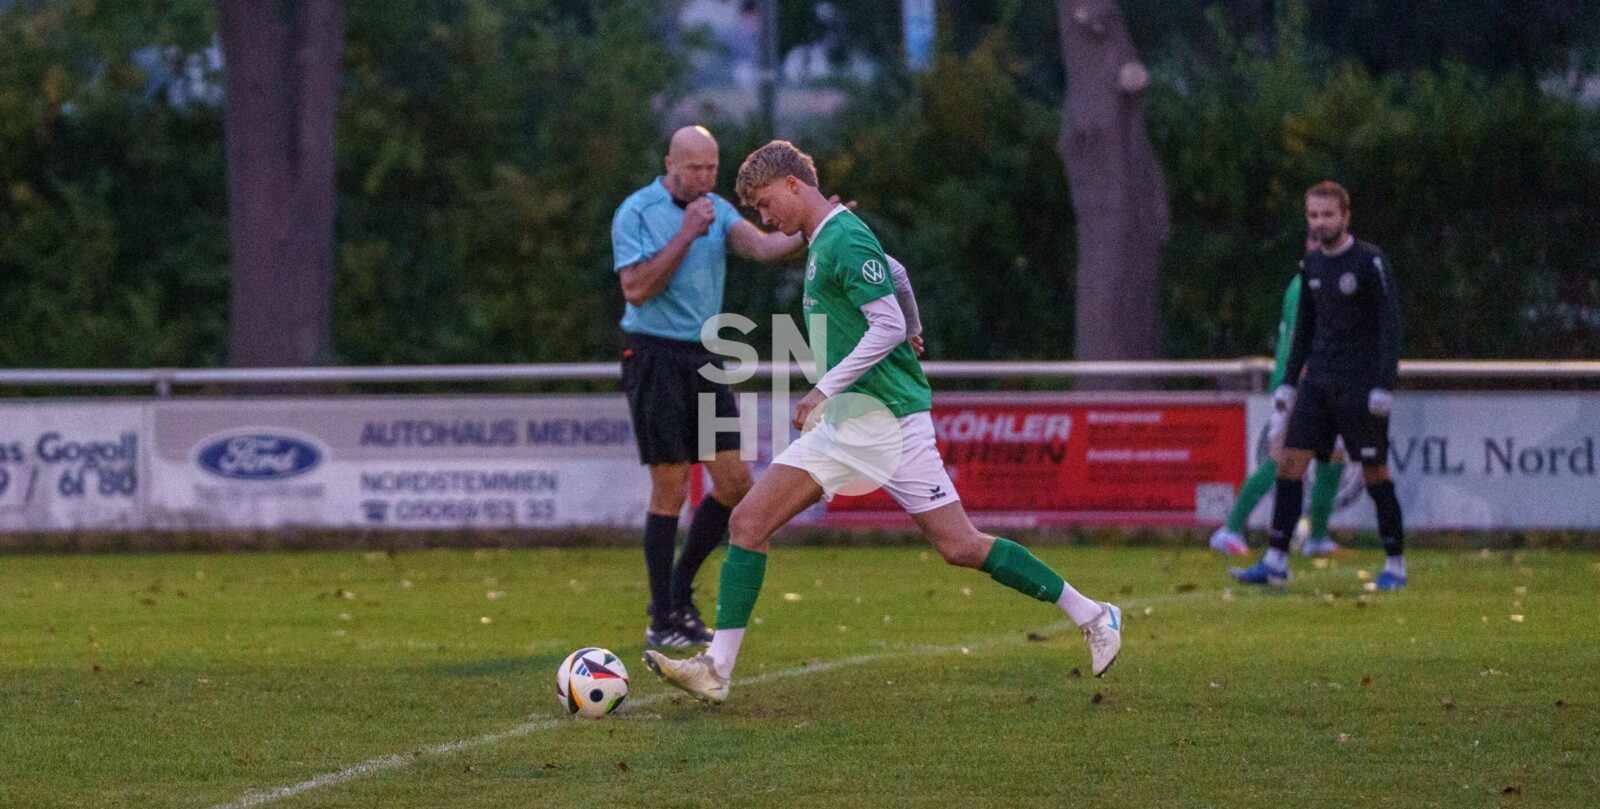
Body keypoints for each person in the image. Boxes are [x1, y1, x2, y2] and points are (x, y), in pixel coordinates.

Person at [642, 140, 1122, 704]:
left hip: (887, 422)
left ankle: (1094, 614)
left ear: (794, 184)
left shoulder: (842, 236)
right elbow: (896, 275)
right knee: (748, 521)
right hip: (846, 424)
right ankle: (716, 670)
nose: (765, 219)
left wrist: (828, 384)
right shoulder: (823, 239)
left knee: (960, 546)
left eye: (766, 204)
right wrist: (912, 325)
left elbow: (885, 323)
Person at [613, 125, 816, 649]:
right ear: (670, 164)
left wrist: (814, 224)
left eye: (712, 167)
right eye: (695, 168)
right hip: (655, 353)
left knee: (734, 484)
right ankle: (662, 619)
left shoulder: (718, 209)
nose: (706, 177)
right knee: (671, 488)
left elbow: (764, 247)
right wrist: (686, 233)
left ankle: (678, 595)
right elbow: (635, 289)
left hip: (704, 355)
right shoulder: (637, 212)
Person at [1230, 181, 1407, 590]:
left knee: (1374, 473)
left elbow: (1391, 326)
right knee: (1290, 463)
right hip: (1318, 384)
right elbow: (1304, 333)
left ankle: (1395, 562)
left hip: (1359, 386)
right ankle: (1276, 560)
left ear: (1345, 217)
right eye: (1313, 215)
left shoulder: (1369, 262)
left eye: (1328, 214)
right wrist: (1288, 385)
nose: (1320, 222)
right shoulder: (1310, 266)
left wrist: (1384, 384)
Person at [1210, 235, 1349, 558]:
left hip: (1320, 384)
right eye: (1314, 240)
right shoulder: (1306, 286)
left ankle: (1317, 537)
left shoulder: (1316, 284)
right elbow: (1299, 344)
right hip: (1300, 385)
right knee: (1282, 457)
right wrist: (1299, 387)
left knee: (1333, 456)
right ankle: (1230, 529)